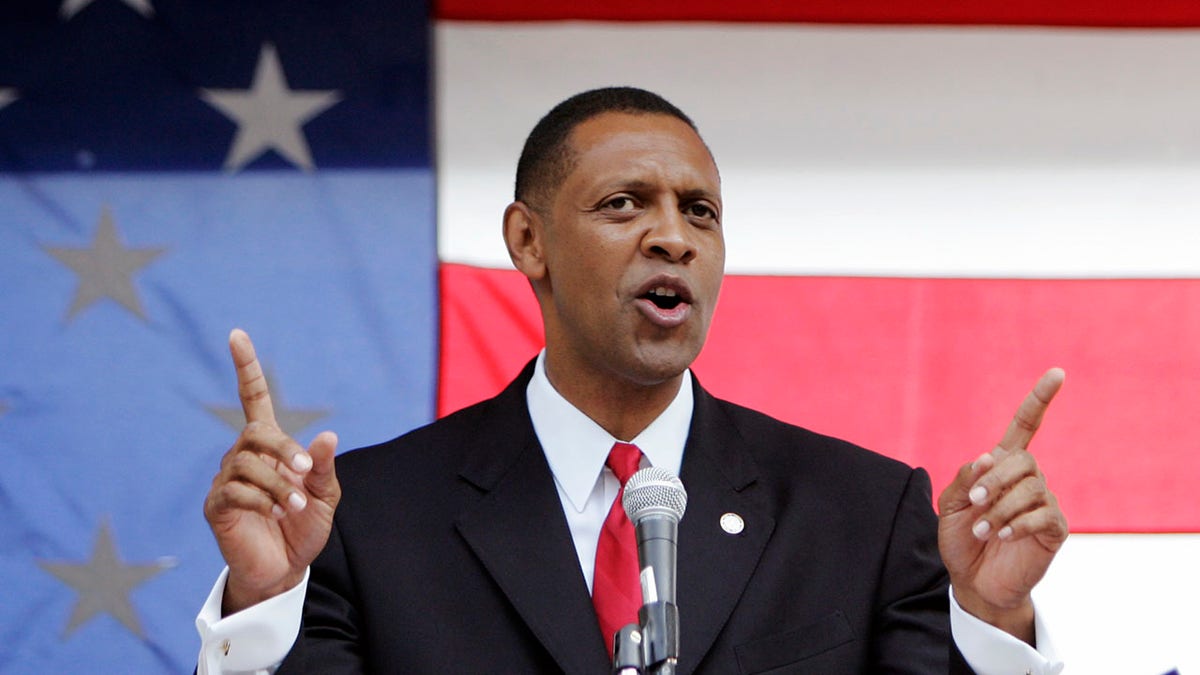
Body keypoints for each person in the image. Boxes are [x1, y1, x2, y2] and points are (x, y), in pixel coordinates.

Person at [196, 87, 1068, 674]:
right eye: (625, 204)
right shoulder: (373, 516)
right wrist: (267, 602)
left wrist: (991, 619)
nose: (674, 238)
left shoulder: (861, 512)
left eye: (700, 211)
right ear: (528, 242)